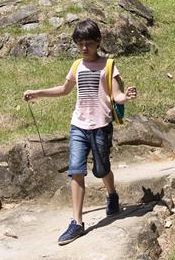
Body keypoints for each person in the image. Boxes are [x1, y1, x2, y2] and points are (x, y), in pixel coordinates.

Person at [23, 19, 138, 245]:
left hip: (101, 126)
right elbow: (64, 89)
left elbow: (117, 95)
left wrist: (127, 97)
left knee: (102, 169)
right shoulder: (77, 66)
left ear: (98, 42)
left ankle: (112, 194)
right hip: (79, 126)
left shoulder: (108, 65)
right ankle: (77, 222)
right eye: (80, 44)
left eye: (89, 43)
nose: (84, 48)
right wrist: (38, 93)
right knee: (76, 171)